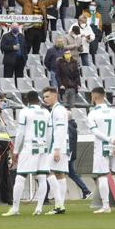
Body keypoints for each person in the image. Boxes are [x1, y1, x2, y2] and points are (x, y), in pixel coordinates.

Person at [2, 91, 52, 216]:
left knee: (20, 177)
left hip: (30, 147)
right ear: (38, 99)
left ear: (27, 100)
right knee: (41, 178)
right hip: (43, 147)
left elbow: (20, 133)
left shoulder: (25, 111)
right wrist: (48, 148)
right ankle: (39, 208)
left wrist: (15, 151)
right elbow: (50, 133)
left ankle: (15, 208)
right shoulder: (46, 113)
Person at [86, 87, 115, 214]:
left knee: (102, 176)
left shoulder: (93, 113)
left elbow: (95, 131)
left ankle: (106, 206)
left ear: (94, 97)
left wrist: (109, 140)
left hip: (102, 146)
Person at [40, 87, 70, 215]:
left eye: (47, 96)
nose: (45, 99)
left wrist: (57, 149)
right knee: (60, 174)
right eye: (44, 97)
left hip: (57, 147)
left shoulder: (57, 111)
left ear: (54, 96)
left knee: (48, 171)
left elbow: (60, 130)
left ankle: (58, 205)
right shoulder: (58, 110)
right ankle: (61, 204)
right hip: (62, 146)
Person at [67, 110, 92, 199]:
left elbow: (69, 141)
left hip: (68, 154)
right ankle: (86, 190)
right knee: (72, 174)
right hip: (72, 153)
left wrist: (67, 154)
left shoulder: (68, 127)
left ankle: (46, 196)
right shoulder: (73, 126)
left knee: (55, 173)